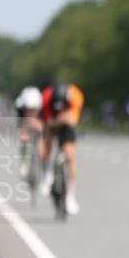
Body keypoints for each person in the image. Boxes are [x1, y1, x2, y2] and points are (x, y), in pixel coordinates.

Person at [40, 82, 85, 215]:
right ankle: (47, 171)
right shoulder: (46, 98)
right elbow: (48, 122)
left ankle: (71, 194)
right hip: (52, 118)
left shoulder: (76, 97)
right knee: (47, 135)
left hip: (67, 121)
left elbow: (73, 120)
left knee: (70, 155)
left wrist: (65, 118)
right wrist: (55, 121)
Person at [14, 85, 43, 176]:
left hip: (38, 121)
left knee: (41, 144)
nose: (30, 111)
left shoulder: (41, 105)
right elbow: (21, 122)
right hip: (24, 121)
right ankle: (24, 160)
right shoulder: (19, 105)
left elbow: (42, 126)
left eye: (33, 109)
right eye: (28, 109)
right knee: (23, 138)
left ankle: (43, 166)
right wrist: (24, 132)